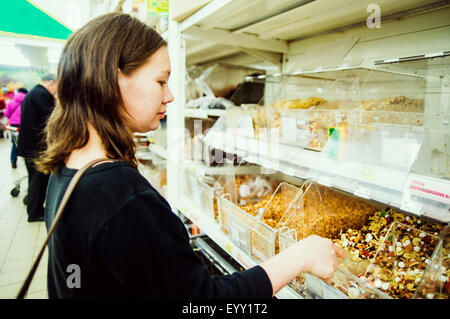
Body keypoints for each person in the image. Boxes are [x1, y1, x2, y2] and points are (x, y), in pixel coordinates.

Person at [37, 13, 345, 299]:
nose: (170, 95)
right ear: (113, 80)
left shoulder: (67, 167)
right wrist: (299, 256)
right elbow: (205, 303)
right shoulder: (125, 198)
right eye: (160, 81)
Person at [18, 74, 56, 222]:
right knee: (38, 180)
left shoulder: (32, 93)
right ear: (51, 83)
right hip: (36, 146)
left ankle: (34, 206)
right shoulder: (42, 95)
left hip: (29, 145)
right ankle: (35, 213)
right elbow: (52, 118)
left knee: (34, 179)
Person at [4, 88, 27, 168]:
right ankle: (26, 161)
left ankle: (13, 160)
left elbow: (6, 114)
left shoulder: (11, 101)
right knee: (25, 142)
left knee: (15, 142)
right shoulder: (27, 101)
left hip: (13, 125)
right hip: (24, 124)